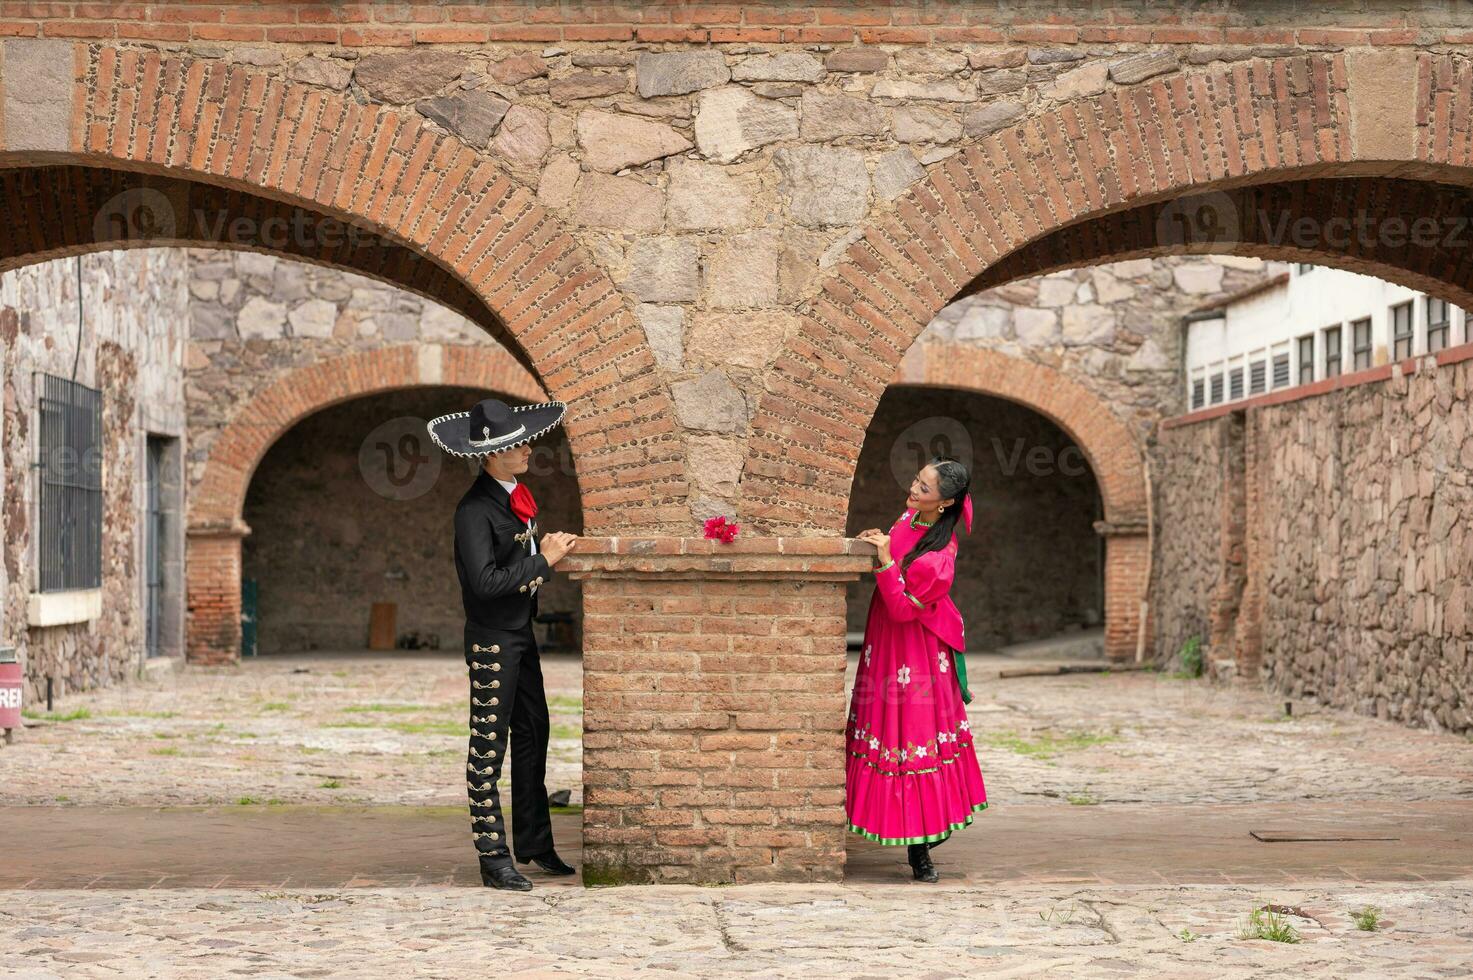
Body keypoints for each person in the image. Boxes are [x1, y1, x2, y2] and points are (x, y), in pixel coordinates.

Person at [427, 396, 579, 891]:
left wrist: (545, 551)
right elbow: (485, 583)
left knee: (535, 730)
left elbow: (520, 558)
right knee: (487, 746)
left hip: (520, 632)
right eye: (517, 444)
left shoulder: (514, 495)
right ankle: (493, 858)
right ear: (492, 455)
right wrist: (544, 561)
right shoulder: (473, 510)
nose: (528, 447)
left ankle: (535, 843)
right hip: (493, 639)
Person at [848, 455, 988, 882]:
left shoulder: (940, 557)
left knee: (915, 731)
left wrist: (886, 559)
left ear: (944, 503)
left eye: (924, 488)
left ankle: (921, 846)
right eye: (916, 480)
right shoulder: (911, 515)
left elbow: (904, 608)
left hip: (917, 647)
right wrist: (881, 542)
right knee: (887, 727)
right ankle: (895, 823)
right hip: (886, 640)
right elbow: (896, 546)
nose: (914, 489)